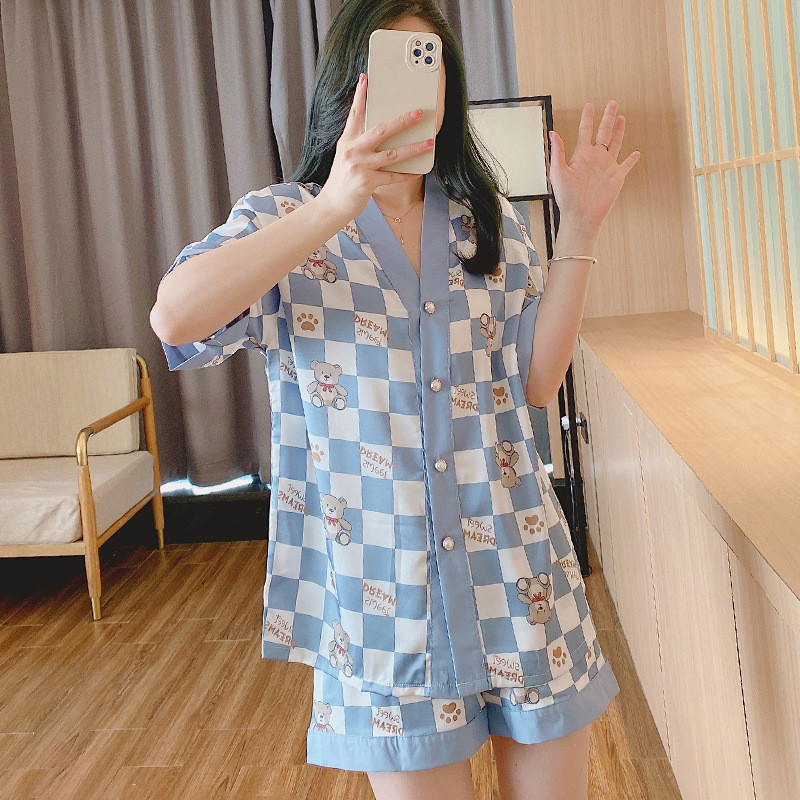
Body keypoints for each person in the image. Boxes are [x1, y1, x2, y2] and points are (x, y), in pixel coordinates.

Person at [149, 1, 640, 797]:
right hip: (384, 607)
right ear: (350, 82)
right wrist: (333, 206)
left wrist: (580, 226)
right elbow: (176, 318)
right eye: (395, 61)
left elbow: (536, 381)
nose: (419, 85)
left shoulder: (488, 221)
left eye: (432, 63)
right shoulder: (285, 218)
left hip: (520, 573)